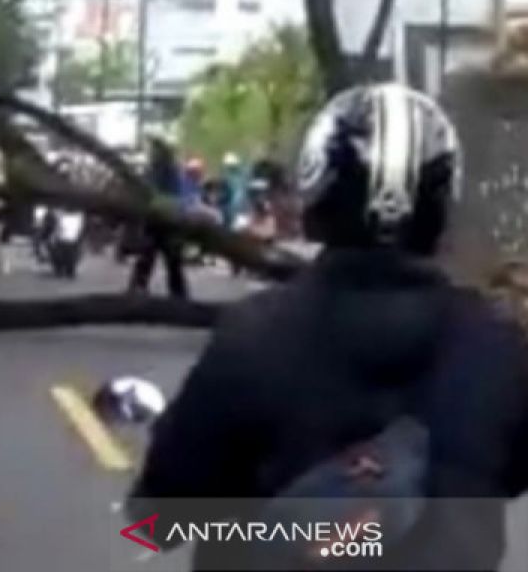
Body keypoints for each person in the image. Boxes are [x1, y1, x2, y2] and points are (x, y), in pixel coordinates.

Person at [127, 84, 528, 571]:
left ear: (318, 188)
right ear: (444, 200)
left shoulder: (253, 336)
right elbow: (506, 476)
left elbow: (155, 522)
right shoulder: (500, 349)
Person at [129, 135, 190, 299]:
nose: (151, 153)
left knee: (170, 259)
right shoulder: (153, 169)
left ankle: (177, 293)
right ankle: (139, 287)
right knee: (148, 255)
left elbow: (177, 194)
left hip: (167, 218)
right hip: (155, 218)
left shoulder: (169, 169)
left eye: (154, 150)